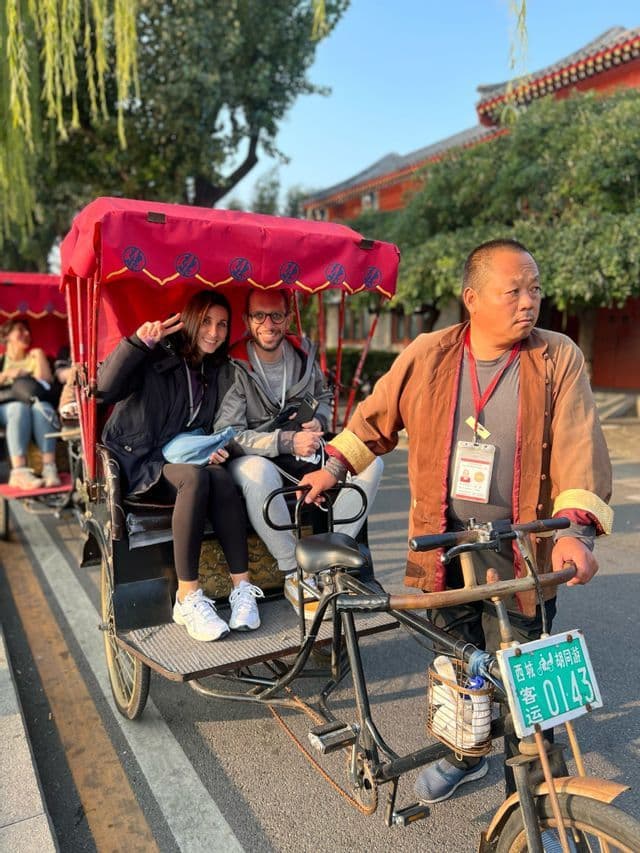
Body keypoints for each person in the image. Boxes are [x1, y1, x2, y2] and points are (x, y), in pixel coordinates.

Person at [298, 238, 613, 802]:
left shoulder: (555, 356)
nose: (529, 302)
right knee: (456, 661)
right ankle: (462, 755)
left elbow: (578, 443)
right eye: (513, 290)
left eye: (534, 289)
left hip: (522, 546)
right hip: (442, 542)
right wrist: (335, 466)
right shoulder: (430, 353)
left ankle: (538, 782)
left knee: (521, 659)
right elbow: (377, 414)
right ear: (472, 298)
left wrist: (573, 531)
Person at [98, 290, 264, 642]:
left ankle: (242, 589)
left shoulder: (215, 370)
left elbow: (211, 428)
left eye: (222, 325)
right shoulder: (157, 353)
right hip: (139, 459)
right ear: (190, 320)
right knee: (194, 477)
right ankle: (187, 596)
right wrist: (138, 344)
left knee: (219, 478)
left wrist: (217, 448)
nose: (214, 332)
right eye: (206, 321)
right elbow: (104, 389)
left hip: (180, 458)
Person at [214, 288, 384, 619]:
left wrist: (319, 420)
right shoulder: (235, 365)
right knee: (257, 472)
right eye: (259, 316)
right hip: (254, 455)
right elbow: (230, 434)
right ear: (248, 320)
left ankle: (328, 564)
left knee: (369, 462)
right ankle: (296, 572)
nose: (269, 324)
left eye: (276, 315)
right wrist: (286, 441)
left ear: (288, 318)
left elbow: (322, 395)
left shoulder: (303, 355)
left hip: (304, 452)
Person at [0, 318, 61, 489]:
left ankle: (49, 467)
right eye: (20, 330)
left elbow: (45, 382)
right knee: (18, 408)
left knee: (43, 408)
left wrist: (40, 355)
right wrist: (7, 375)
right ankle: (18, 471)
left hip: (31, 405)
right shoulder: (1, 360)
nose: (26, 334)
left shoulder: (34, 357)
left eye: (28, 331)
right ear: (7, 336)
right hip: (5, 407)